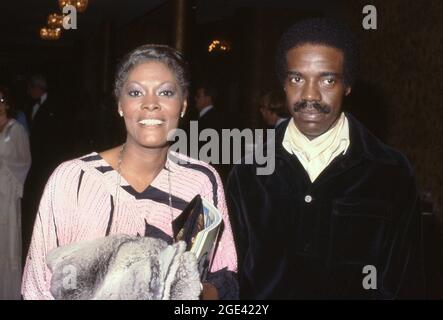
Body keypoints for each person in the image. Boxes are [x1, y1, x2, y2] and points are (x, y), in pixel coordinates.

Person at [226, 18, 424, 299]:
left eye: (327, 80)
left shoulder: (389, 171)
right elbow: (234, 277)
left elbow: (406, 281)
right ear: (283, 83)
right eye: (297, 79)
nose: (310, 95)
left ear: (348, 86)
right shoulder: (248, 171)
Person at [22, 44, 238, 300]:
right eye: (135, 92)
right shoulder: (74, 180)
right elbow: (36, 287)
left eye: (166, 92)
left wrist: (187, 290)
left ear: (183, 105)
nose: (150, 104)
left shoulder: (201, 180)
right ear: (120, 105)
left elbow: (225, 276)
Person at [0, 86, 31, 299]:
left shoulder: (15, 129)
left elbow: (24, 160)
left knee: (6, 240)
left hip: (6, 192)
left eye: (1, 99)